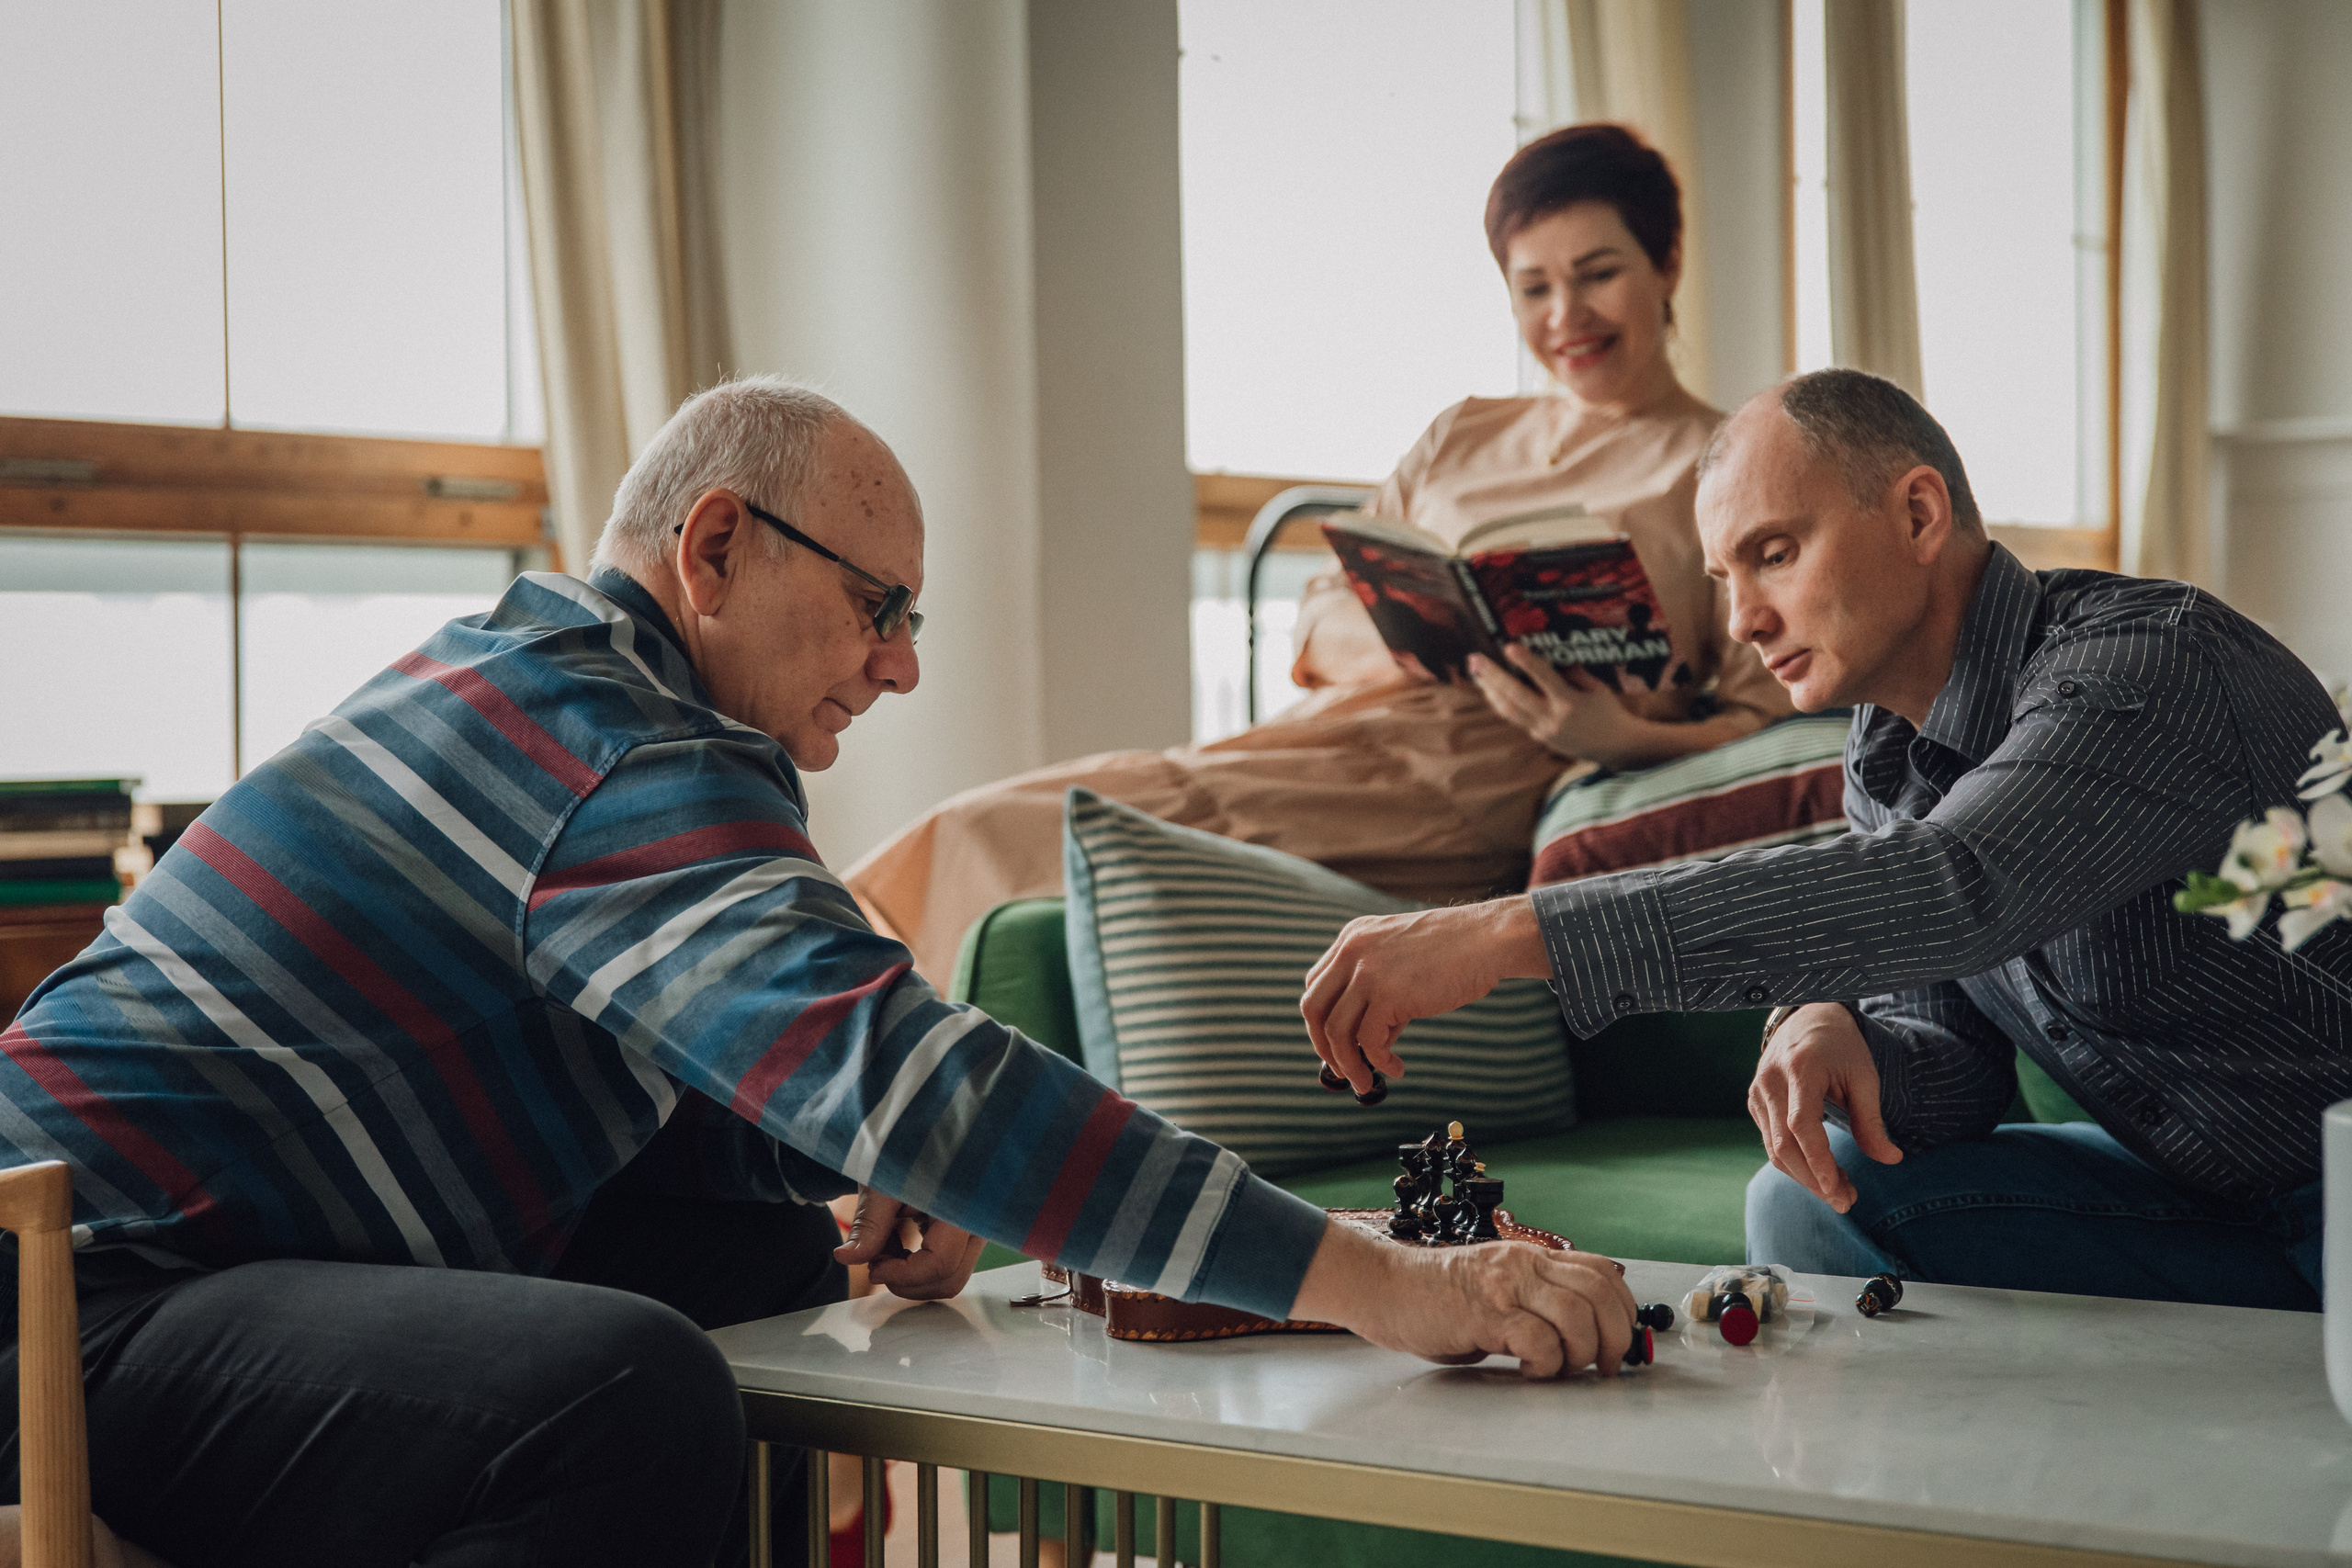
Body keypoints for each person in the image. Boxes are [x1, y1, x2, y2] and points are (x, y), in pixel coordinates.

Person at [0, 377, 1641, 1568]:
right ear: (716, 544)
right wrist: (1382, 1277)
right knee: (617, 1402)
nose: (905, 662)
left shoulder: (576, 687)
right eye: (879, 604)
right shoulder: (608, 741)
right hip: (63, 1294)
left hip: (178, 1260)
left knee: (757, 1251)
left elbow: (681, 1064)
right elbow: (906, 1067)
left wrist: (842, 1165)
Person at [1300, 367, 2352, 1311]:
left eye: (1774, 553)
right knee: (1809, 1206)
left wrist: (1503, 935)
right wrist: (1844, 1038)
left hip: (2342, 1184)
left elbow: (1950, 886)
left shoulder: (2142, 669)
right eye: (1725, 579)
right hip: (2217, 1204)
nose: (1748, 618)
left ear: (1918, 512)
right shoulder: (1886, 755)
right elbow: (1957, 1082)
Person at [846, 124, 1792, 981]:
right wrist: (1431, 630)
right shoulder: (1462, 433)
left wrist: (1618, 742)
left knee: (1006, 838)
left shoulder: (1719, 466)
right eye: (1533, 287)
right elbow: (1320, 613)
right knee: (967, 829)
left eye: (1597, 273)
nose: (1565, 316)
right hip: (1333, 734)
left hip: (1473, 787)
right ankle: (818, 1143)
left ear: (1665, 262)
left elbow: (1761, 718)